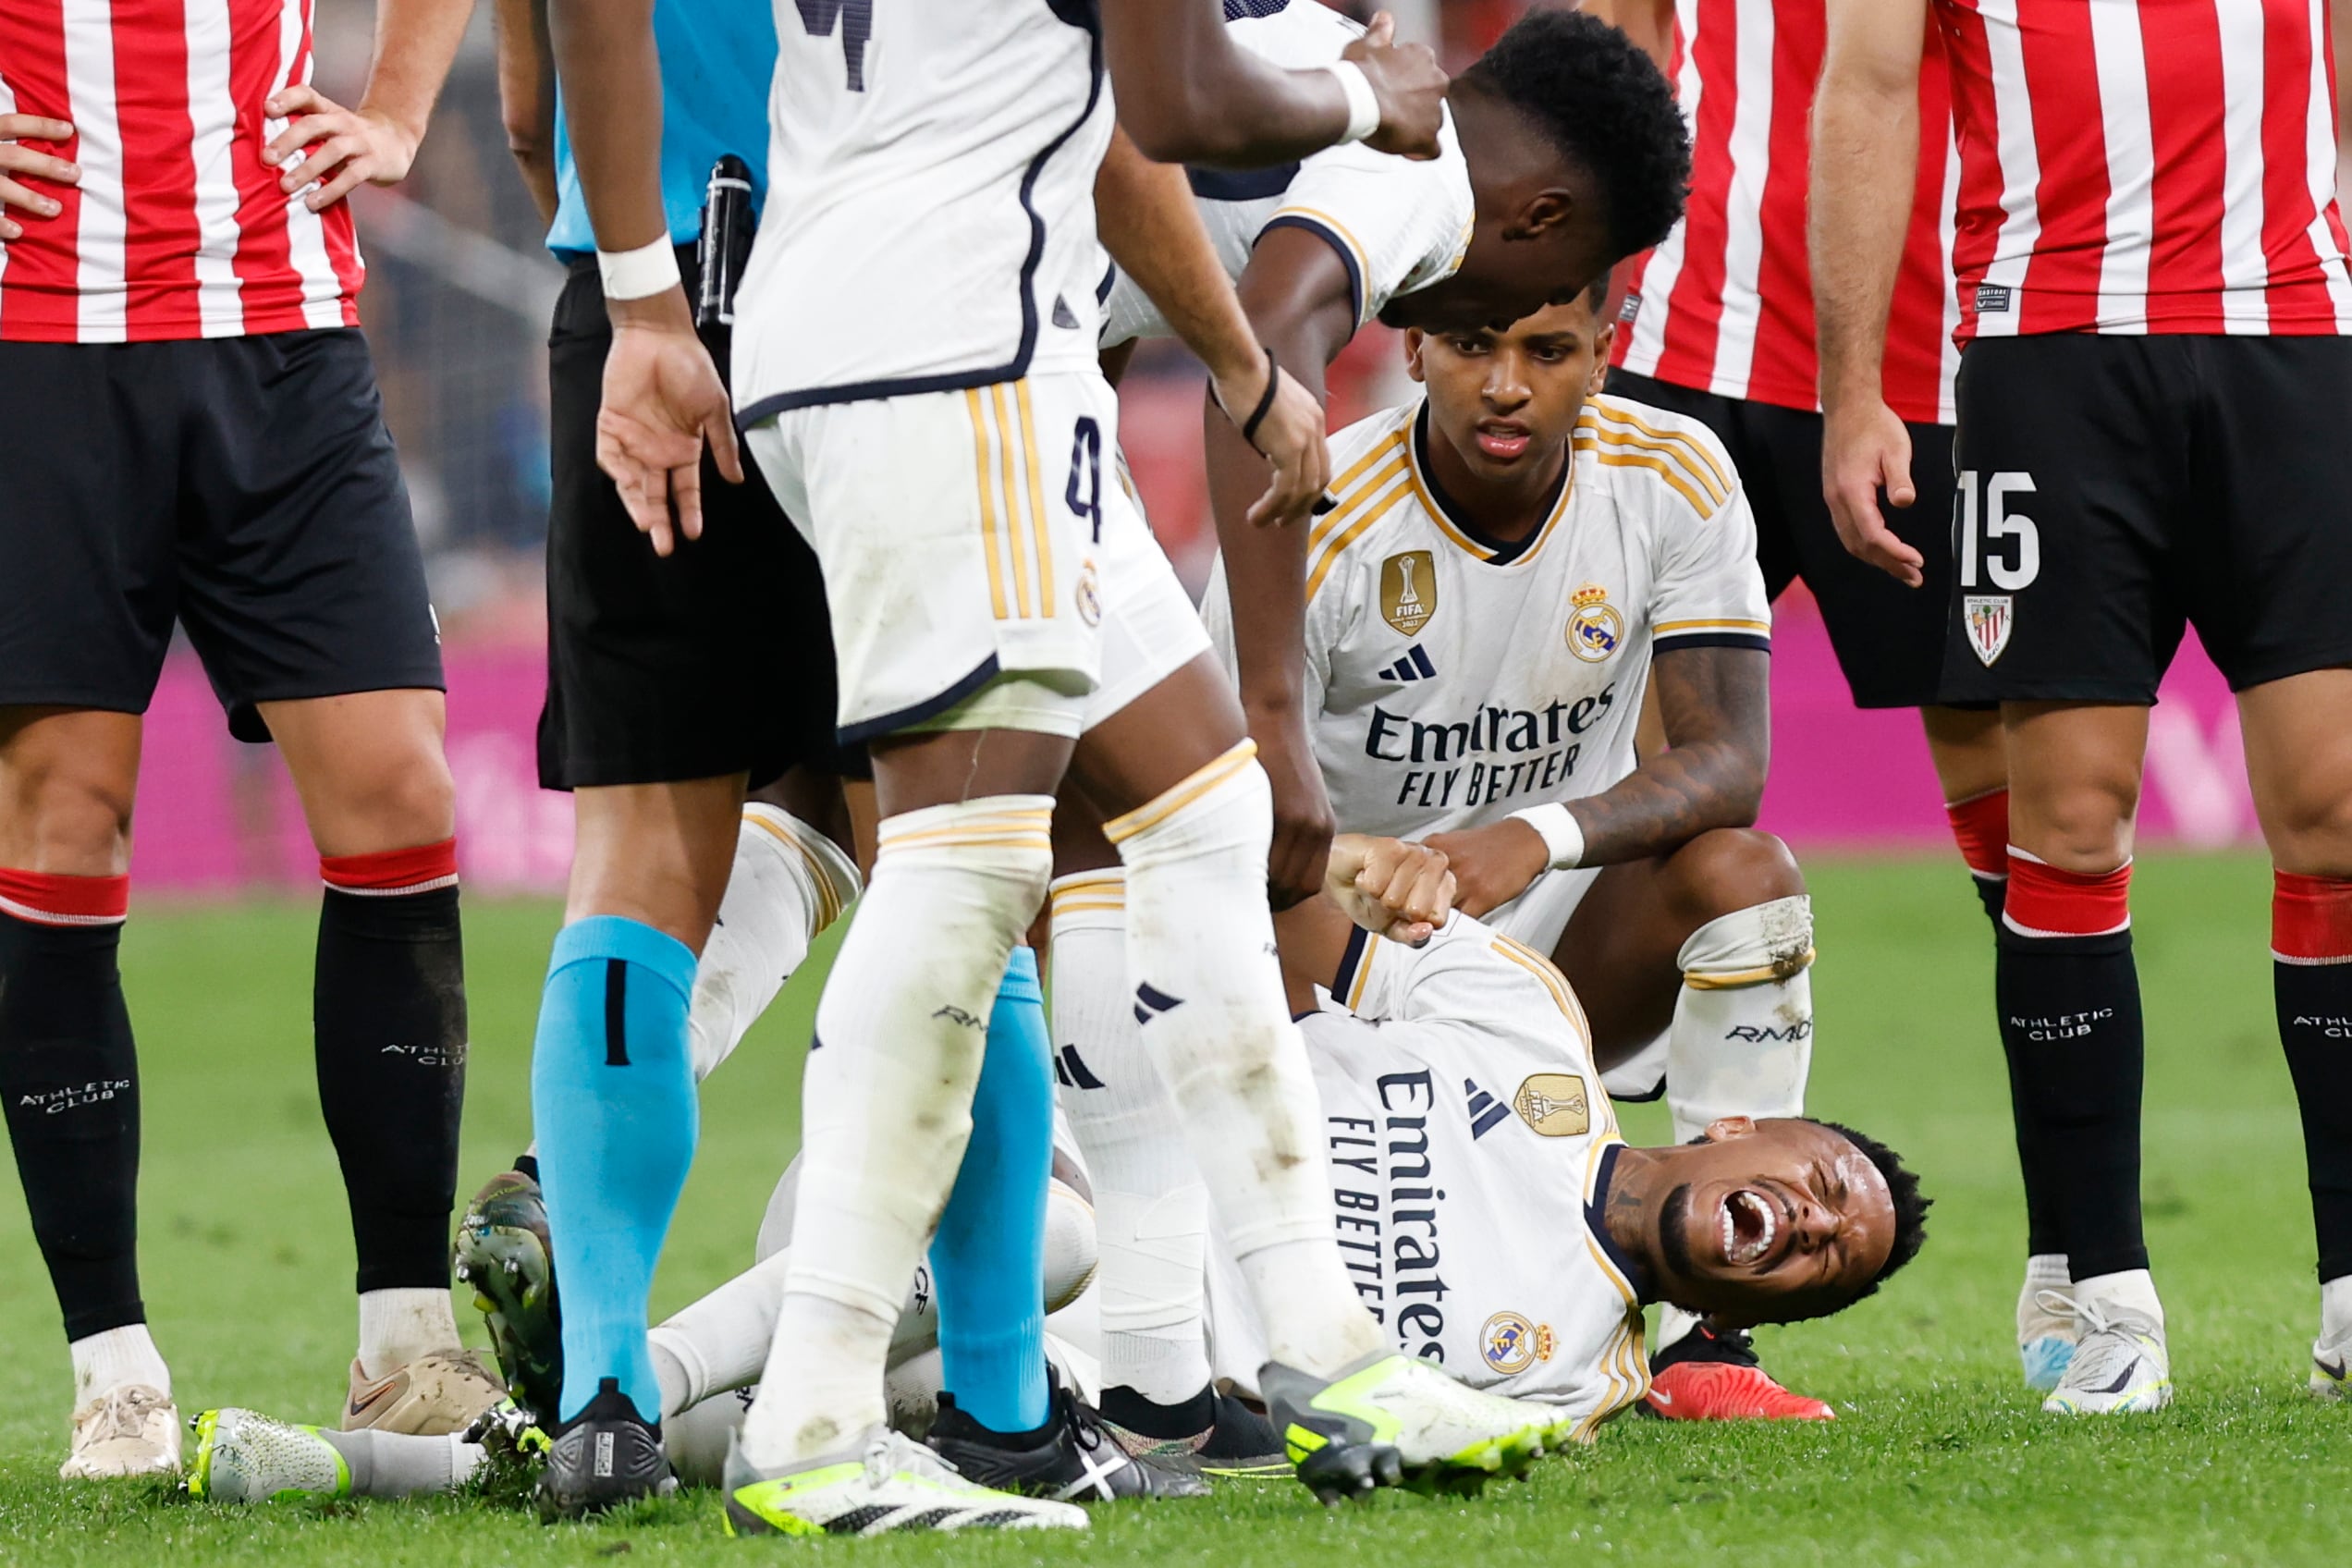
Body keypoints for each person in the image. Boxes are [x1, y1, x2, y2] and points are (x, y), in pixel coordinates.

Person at [538, 0, 1537, 1530]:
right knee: (961, 867)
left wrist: (1231, 356)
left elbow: (1087, 111)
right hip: (951, 351)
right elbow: (1179, 92)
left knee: (1201, 814)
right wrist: (1363, 91)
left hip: (929, 322)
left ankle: (1321, 1344)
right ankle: (809, 1416)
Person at [182, 839, 1933, 1513]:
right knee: (1067, 1239)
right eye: (1827, 1186)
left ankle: (396, 1459)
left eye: (1820, 1267)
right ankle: (621, 1380)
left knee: (719, 1464)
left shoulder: (1567, 1368)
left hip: (1003, 1394)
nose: (1806, 1234)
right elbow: (1243, 919)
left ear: (1755, 1295)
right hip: (980, 1191)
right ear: (1745, 1126)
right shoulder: (1525, 1024)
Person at [1063, 0, 1706, 1458]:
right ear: (1540, 213)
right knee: (1172, 816)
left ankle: (1131, 1370)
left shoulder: (1343, 63)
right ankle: (1187, 1364)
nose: (1514, 319)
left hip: (892, 329)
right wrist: (1278, 716)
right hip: (950, 374)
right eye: (1567, 272)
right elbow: (1280, 326)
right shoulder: (1419, 150)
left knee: (958, 837)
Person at [1814, 0, 2352, 1414]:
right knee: (2066, 818)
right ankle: (2103, 1291)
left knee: (2337, 810)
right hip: (2051, 359)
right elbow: (1866, 89)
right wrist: (1856, 388)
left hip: (2294, 337)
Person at [0, 0, 499, 1481]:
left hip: (282, 332)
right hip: (42, 338)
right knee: (61, 820)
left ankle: (407, 1347)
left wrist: (400, 113)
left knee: (400, 794)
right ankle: (114, 1370)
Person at [1194, 281, 1830, 1418]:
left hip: (1551, 944)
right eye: (1475, 346)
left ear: (1606, 347)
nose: (1504, 385)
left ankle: (1703, 1341)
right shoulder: (1323, 504)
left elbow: (1729, 759)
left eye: (1547, 351)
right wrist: (1363, 878)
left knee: (1749, 880)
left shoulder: (1671, 475)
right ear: (1416, 342)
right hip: (1332, 936)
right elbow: (1212, 793)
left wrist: (1527, 842)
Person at [1580, 0, 2028, 1403]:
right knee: (1640, 815)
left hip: (1919, 366)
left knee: (2029, 818)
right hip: (1678, 346)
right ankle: (1657, 1293)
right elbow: (1614, 30)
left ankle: (2083, 1248)